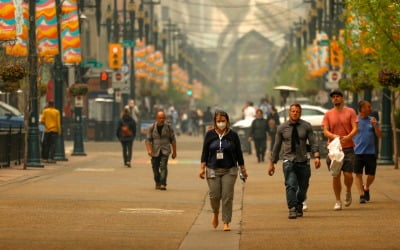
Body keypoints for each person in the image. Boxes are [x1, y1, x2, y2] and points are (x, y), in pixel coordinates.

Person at [268, 103, 320, 219]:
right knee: (291, 185)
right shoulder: (282, 128)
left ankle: (299, 204)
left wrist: (316, 156)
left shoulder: (306, 126)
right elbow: (276, 146)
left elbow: (313, 142)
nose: (295, 113)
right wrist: (272, 163)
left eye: (297, 111)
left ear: (300, 113)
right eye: (293, 111)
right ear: (289, 113)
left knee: (303, 188)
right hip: (289, 161)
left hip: (304, 161)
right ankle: (292, 208)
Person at [199, 110, 248, 231]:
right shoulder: (210, 134)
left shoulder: (233, 135)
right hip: (212, 169)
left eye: (223, 121)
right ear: (215, 122)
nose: (221, 123)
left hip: (229, 170)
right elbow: (205, 152)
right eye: (218, 121)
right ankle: (215, 212)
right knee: (214, 195)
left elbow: (238, 153)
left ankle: (226, 221)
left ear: (227, 121)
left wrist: (243, 169)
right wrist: (202, 168)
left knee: (227, 196)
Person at [322, 89, 358, 210]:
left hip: (348, 148)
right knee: (336, 175)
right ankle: (338, 201)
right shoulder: (328, 114)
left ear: (342, 98)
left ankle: (348, 190)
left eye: (338, 96)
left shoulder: (350, 112)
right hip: (334, 150)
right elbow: (325, 130)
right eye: (333, 97)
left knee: (348, 175)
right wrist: (333, 136)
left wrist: (348, 137)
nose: (335, 98)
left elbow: (355, 128)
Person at [353, 100, 382, 203]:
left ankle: (366, 187)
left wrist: (375, 126)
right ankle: (361, 195)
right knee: (358, 174)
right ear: (362, 109)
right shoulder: (355, 120)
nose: (371, 109)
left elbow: (380, 135)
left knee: (371, 175)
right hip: (357, 152)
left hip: (370, 152)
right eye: (368, 107)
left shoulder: (372, 120)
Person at [146, 111, 177, 190]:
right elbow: (148, 140)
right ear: (157, 118)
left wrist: (174, 152)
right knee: (155, 167)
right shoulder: (152, 127)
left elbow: (173, 140)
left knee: (163, 166)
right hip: (155, 150)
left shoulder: (169, 127)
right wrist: (149, 150)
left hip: (165, 149)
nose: (162, 119)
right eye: (160, 118)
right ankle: (157, 182)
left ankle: (163, 183)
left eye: (163, 118)